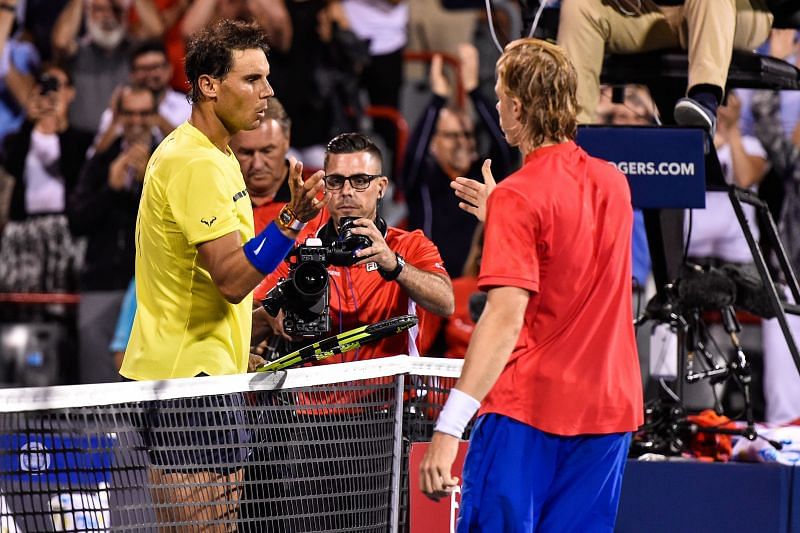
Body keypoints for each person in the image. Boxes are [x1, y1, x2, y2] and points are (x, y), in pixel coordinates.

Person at [419, 39, 643, 532]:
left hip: (529, 413)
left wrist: (449, 426)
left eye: (500, 96)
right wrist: (504, 214)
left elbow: (503, 318)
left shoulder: (520, 197)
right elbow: (570, 254)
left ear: (517, 107)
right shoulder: (615, 183)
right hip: (608, 412)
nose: (498, 106)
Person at [118, 19, 329, 528]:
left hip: (206, 379)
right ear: (209, 85)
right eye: (252, 79)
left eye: (267, 78)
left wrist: (254, 320)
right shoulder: (198, 164)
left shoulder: (213, 153)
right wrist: (289, 221)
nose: (267, 90)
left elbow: (211, 287)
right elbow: (231, 278)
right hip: (190, 384)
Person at [253, 131, 454, 361]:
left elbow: (446, 302)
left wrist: (395, 265)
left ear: (381, 187)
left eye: (360, 181)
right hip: (315, 395)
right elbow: (246, 327)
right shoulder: (300, 253)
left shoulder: (410, 245)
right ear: (326, 187)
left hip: (390, 395)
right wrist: (270, 317)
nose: (347, 192)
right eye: (336, 181)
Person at [557, 0, 773, 132]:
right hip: (654, 13)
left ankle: (703, 101)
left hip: (734, 11)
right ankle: (569, 138)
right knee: (580, 6)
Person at [69, 84, 158, 384]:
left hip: (154, 287)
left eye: (144, 113)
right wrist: (110, 190)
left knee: (151, 381)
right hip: (102, 282)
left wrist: (150, 184)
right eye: (129, 113)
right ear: (117, 116)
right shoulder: (101, 159)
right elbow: (77, 222)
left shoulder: (170, 158)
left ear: (156, 115)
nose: (136, 121)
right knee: (98, 381)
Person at [402, 43, 512, 277]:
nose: (462, 141)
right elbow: (413, 154)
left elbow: (505, 145)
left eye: (468, 134)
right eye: (452, 136)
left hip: (477, 284)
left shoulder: (485, 175)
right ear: (434, 143)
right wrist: (438, 99)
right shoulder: (423, 179)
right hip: (431, 285)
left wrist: (473, 90)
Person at [93, 39, 191, 153]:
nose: (150, 74)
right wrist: (116, 120)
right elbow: (94, 157)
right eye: (143, 69)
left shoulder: (188, 107)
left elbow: (190, 151)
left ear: (169, 69)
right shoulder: (119, 110)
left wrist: (158, 118)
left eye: (155, 67)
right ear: (131, 74)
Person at [229, 95, 298, 233]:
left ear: (287, 140)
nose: (258, 165)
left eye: (267, 151)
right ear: (228, 147)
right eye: (247, 153)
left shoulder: (317, 200)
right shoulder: (215, 201)